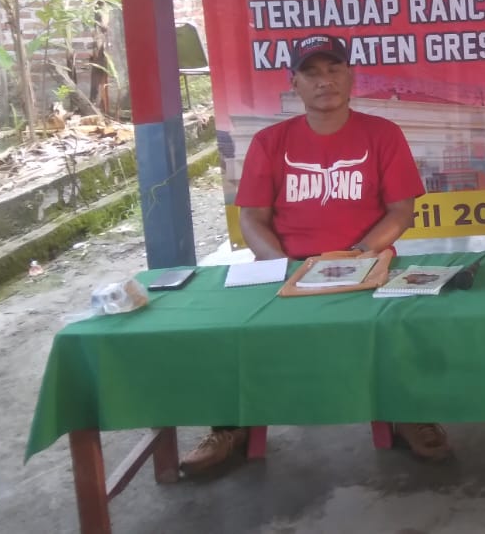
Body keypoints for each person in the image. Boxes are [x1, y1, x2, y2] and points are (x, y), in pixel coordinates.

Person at [180, 33, 448, 476]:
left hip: (367, 263)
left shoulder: (382, 134)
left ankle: (408, 413)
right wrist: (285, 267)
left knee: (404, 326)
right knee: (232, 330)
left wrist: (358, 255)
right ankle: (230, 426)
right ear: (294, 84)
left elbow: (402, 210)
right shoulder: (270, 141)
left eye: (334, 69)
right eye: (311, 73)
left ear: (351, 76)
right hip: (286, 266)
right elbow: (252, 220)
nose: (325, 81)